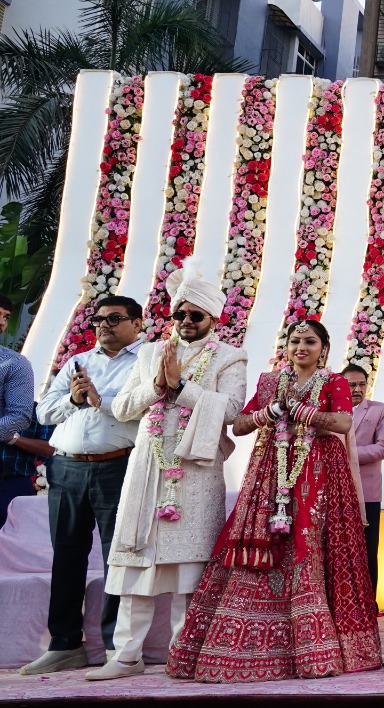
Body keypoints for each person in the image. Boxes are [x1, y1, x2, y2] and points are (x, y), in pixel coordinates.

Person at [166, 319, 381, 681]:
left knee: (310, 545)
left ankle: (315, 645)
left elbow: (344, 423)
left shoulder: (334, 381)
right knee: (267, 542)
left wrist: (304, 414)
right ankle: (253, 644)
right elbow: (239, 425)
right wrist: (270, 412)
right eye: (295, 341)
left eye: (309, 341)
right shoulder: (270, 382)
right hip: (270, 474)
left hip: (319, 473)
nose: (301, 347)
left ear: (323, 349)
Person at [88, 265, 248, 681]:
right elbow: (123, 407)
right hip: (149, 467)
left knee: (189, 569)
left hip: (197, 471)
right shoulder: (149, 354)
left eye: (196, 315)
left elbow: (232, 411)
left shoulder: (231, 356)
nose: (186, 321)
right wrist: (158, 386)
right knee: (137, 560)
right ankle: (127, 656)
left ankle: (183, 653)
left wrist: (181, 388)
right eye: (180, 314)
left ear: (214, 319)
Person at [22, 296, 146, 676]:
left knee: (117, 558)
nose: (104, 325)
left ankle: (117, 648)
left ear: (137, 324)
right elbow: (44, 412)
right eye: (98, 319)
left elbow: (141, 405)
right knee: (66, 556)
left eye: (114, 318)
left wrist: (98, 398)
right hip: (66, 467)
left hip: (117, 466)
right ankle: (65, 645)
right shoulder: (79, 361)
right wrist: (75, 400)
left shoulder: (147, 360)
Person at [344, 363, 384, 606]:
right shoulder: (328, 411)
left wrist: (346, 454)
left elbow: (383, 447)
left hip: (368, 493)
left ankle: (369, 605)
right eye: (352, 385)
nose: (357, 389)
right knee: (338, 549)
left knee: (368, 549)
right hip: (335, 490)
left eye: (362, 384)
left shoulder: (379, 410)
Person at [0, 292, 41, 527]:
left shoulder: (14, 364)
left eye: (6, 317)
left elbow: (19, 416)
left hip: (6, 474)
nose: (2, 323)